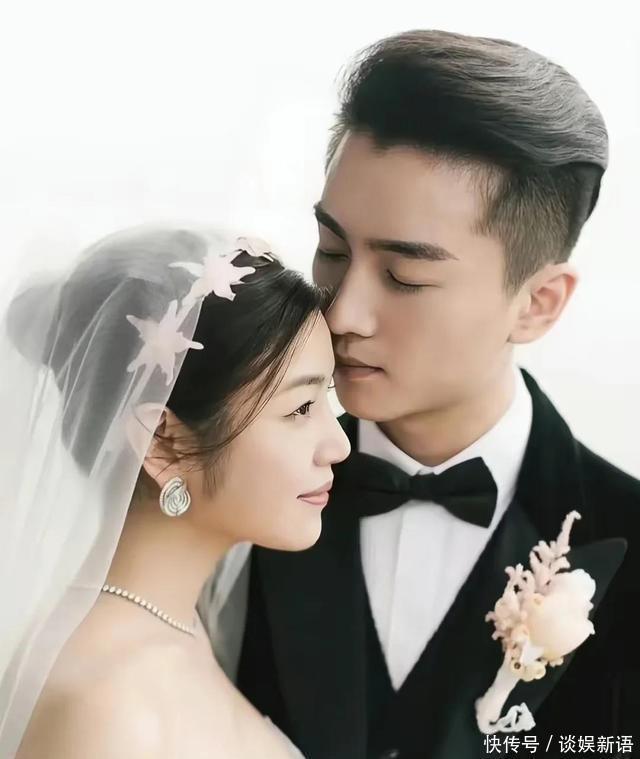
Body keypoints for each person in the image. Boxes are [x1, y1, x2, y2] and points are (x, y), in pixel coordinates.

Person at [230, 30, 640, 758]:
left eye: (405, 277)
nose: (342, 312)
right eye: (331, 250)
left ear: (538, 303)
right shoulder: (229, 489)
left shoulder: (626, 536)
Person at [0, 225, 350, 758]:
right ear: (163, 441)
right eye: (301, 408)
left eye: (326, 398)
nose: (339, 445)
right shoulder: (104, 709)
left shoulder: (176, 629)